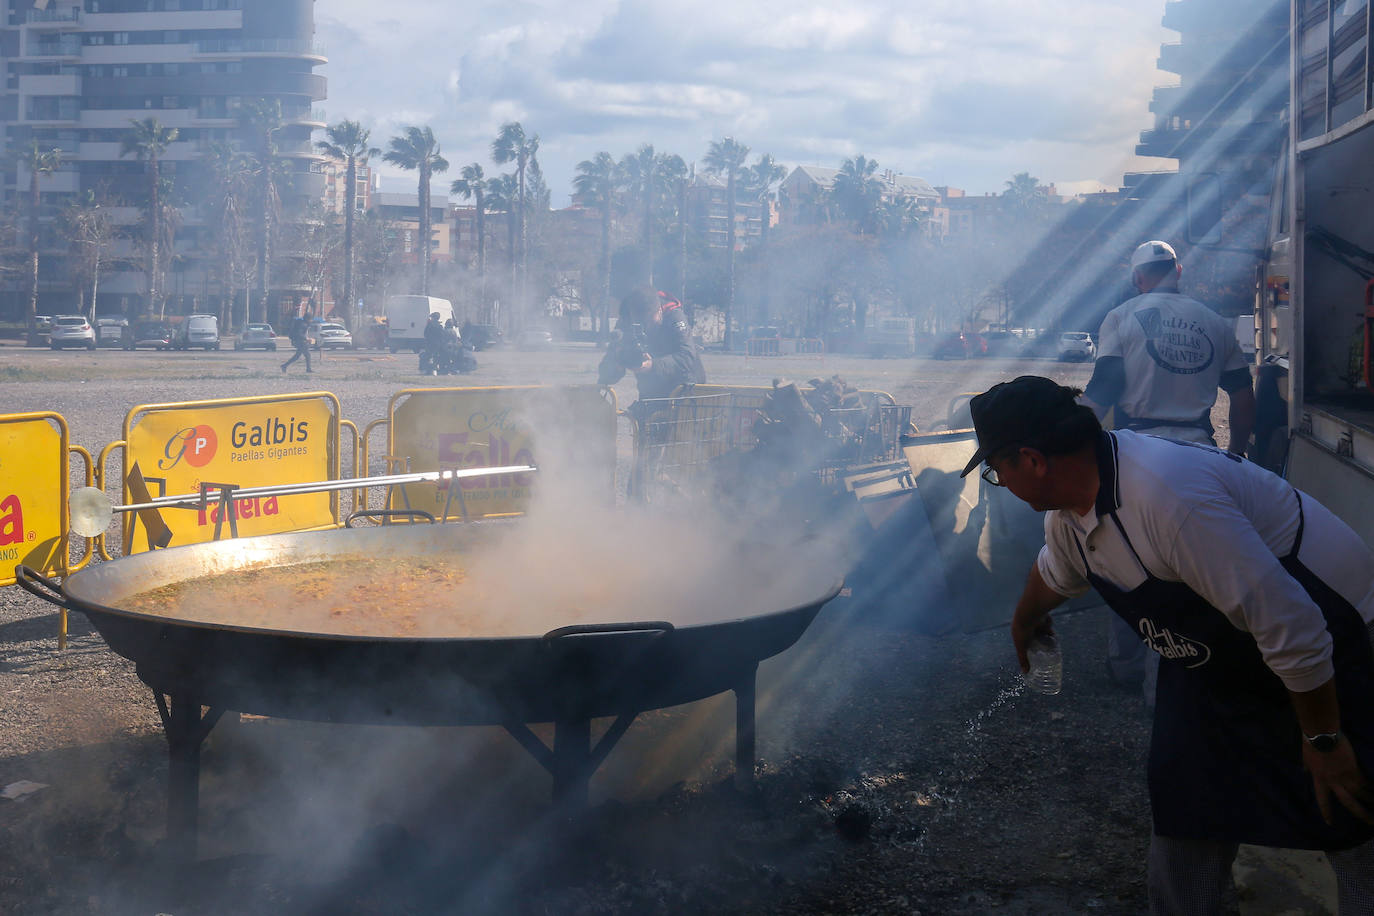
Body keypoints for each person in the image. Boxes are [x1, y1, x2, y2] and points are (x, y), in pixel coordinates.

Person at [962, 375, 1374, 914]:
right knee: (1185, 806)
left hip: (1327, 642)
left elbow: (1293, 627)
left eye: (997, 471)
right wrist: (1025, 620)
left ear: (1033, 460)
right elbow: (1057, 572)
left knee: (1350, 812)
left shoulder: (1167, 498)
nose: (1001, 481)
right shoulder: (1069, 512)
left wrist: (1323, 739)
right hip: (1217, 661)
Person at [1082, 240, 1257, 693]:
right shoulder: (1215, 323)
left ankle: (1127, 669)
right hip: (1200, 452)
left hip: (1136, 451)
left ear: (1138, 277)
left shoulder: (1122, 315)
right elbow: (1241, 391)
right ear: (1178, 270)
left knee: (1129, 561)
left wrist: (1068, 439)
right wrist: (1236, 451)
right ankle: (1185, 670)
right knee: (1192, 563)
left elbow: (1103, 388)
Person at [596, 287, 706, 407]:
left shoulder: (674, 316)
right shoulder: (625, 321)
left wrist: (653, 365)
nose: (645, 327)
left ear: (659, 311)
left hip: (685, 392)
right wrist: (617, 365)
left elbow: (687, 356)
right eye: (639, 322)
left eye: (649, 321)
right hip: (649, 394)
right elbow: (607, 367)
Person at [280, 306, 312, 374]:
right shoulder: (302, 324)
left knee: (297, 356)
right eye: (310, 319)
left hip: (300, 341)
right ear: (307, 318)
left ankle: (284, 366)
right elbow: (299, 334)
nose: (311, 320)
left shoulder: (303, 323)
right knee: (307, 355)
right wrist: (306, 338)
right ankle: (308, 369)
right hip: (300, 342)